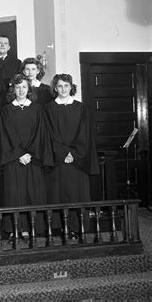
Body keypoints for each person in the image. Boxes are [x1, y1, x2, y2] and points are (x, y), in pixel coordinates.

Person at [44, 73, 100, 236]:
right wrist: (62, 153)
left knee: (77, 195)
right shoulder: (48, 109)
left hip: (77, 161)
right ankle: (59, 228)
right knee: (58, 194)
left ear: (71, 87)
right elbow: (48, 135)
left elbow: (85, 134)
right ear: (55, 88)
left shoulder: (80, 108)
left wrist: (73, 153)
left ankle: (77, 228)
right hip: (58, 161)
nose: (63, 89)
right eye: (60, 86)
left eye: (66, 85)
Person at [0, 74, 53, 238]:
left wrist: (30, 153)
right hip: (13, 160)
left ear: (29, 89)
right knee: (14, 195)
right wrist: (19, 154)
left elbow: (40, 134)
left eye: (24, 87)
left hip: (33, 160)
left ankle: (31, 228)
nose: (21, 90)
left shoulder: (37, 109)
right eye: (17, 87)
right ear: (12, 90)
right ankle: (15, 229)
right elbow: (6, 134)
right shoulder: (6, 111)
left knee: (33, 194)